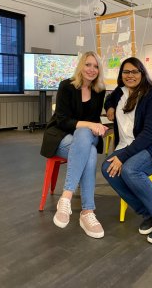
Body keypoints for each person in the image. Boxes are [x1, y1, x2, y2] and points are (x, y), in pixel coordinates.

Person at [101, 57, 152, 244]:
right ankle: (148, 214)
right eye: (126, 72)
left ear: (143, 73)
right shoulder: (119, 92)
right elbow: (109, 99)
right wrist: (110, 107)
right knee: (107, 170)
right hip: (130, 146)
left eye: (135, 71)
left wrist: (123, 157)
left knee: (130, 170)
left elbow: (150, 134)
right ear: (121, 75)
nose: (130, 75)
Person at [40, 51, 109, 239]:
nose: (92, 69)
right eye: (88, 65)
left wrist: (92, 127)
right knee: (91, 152)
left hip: (85, 137)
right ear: (81, 66)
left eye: (96, 66)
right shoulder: (66, 86)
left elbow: (94, 119)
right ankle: (87, 212)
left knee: (85, 136)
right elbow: (62, 120)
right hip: (61, 136)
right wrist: (89, 125)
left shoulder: (99, 90)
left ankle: (66, 198)